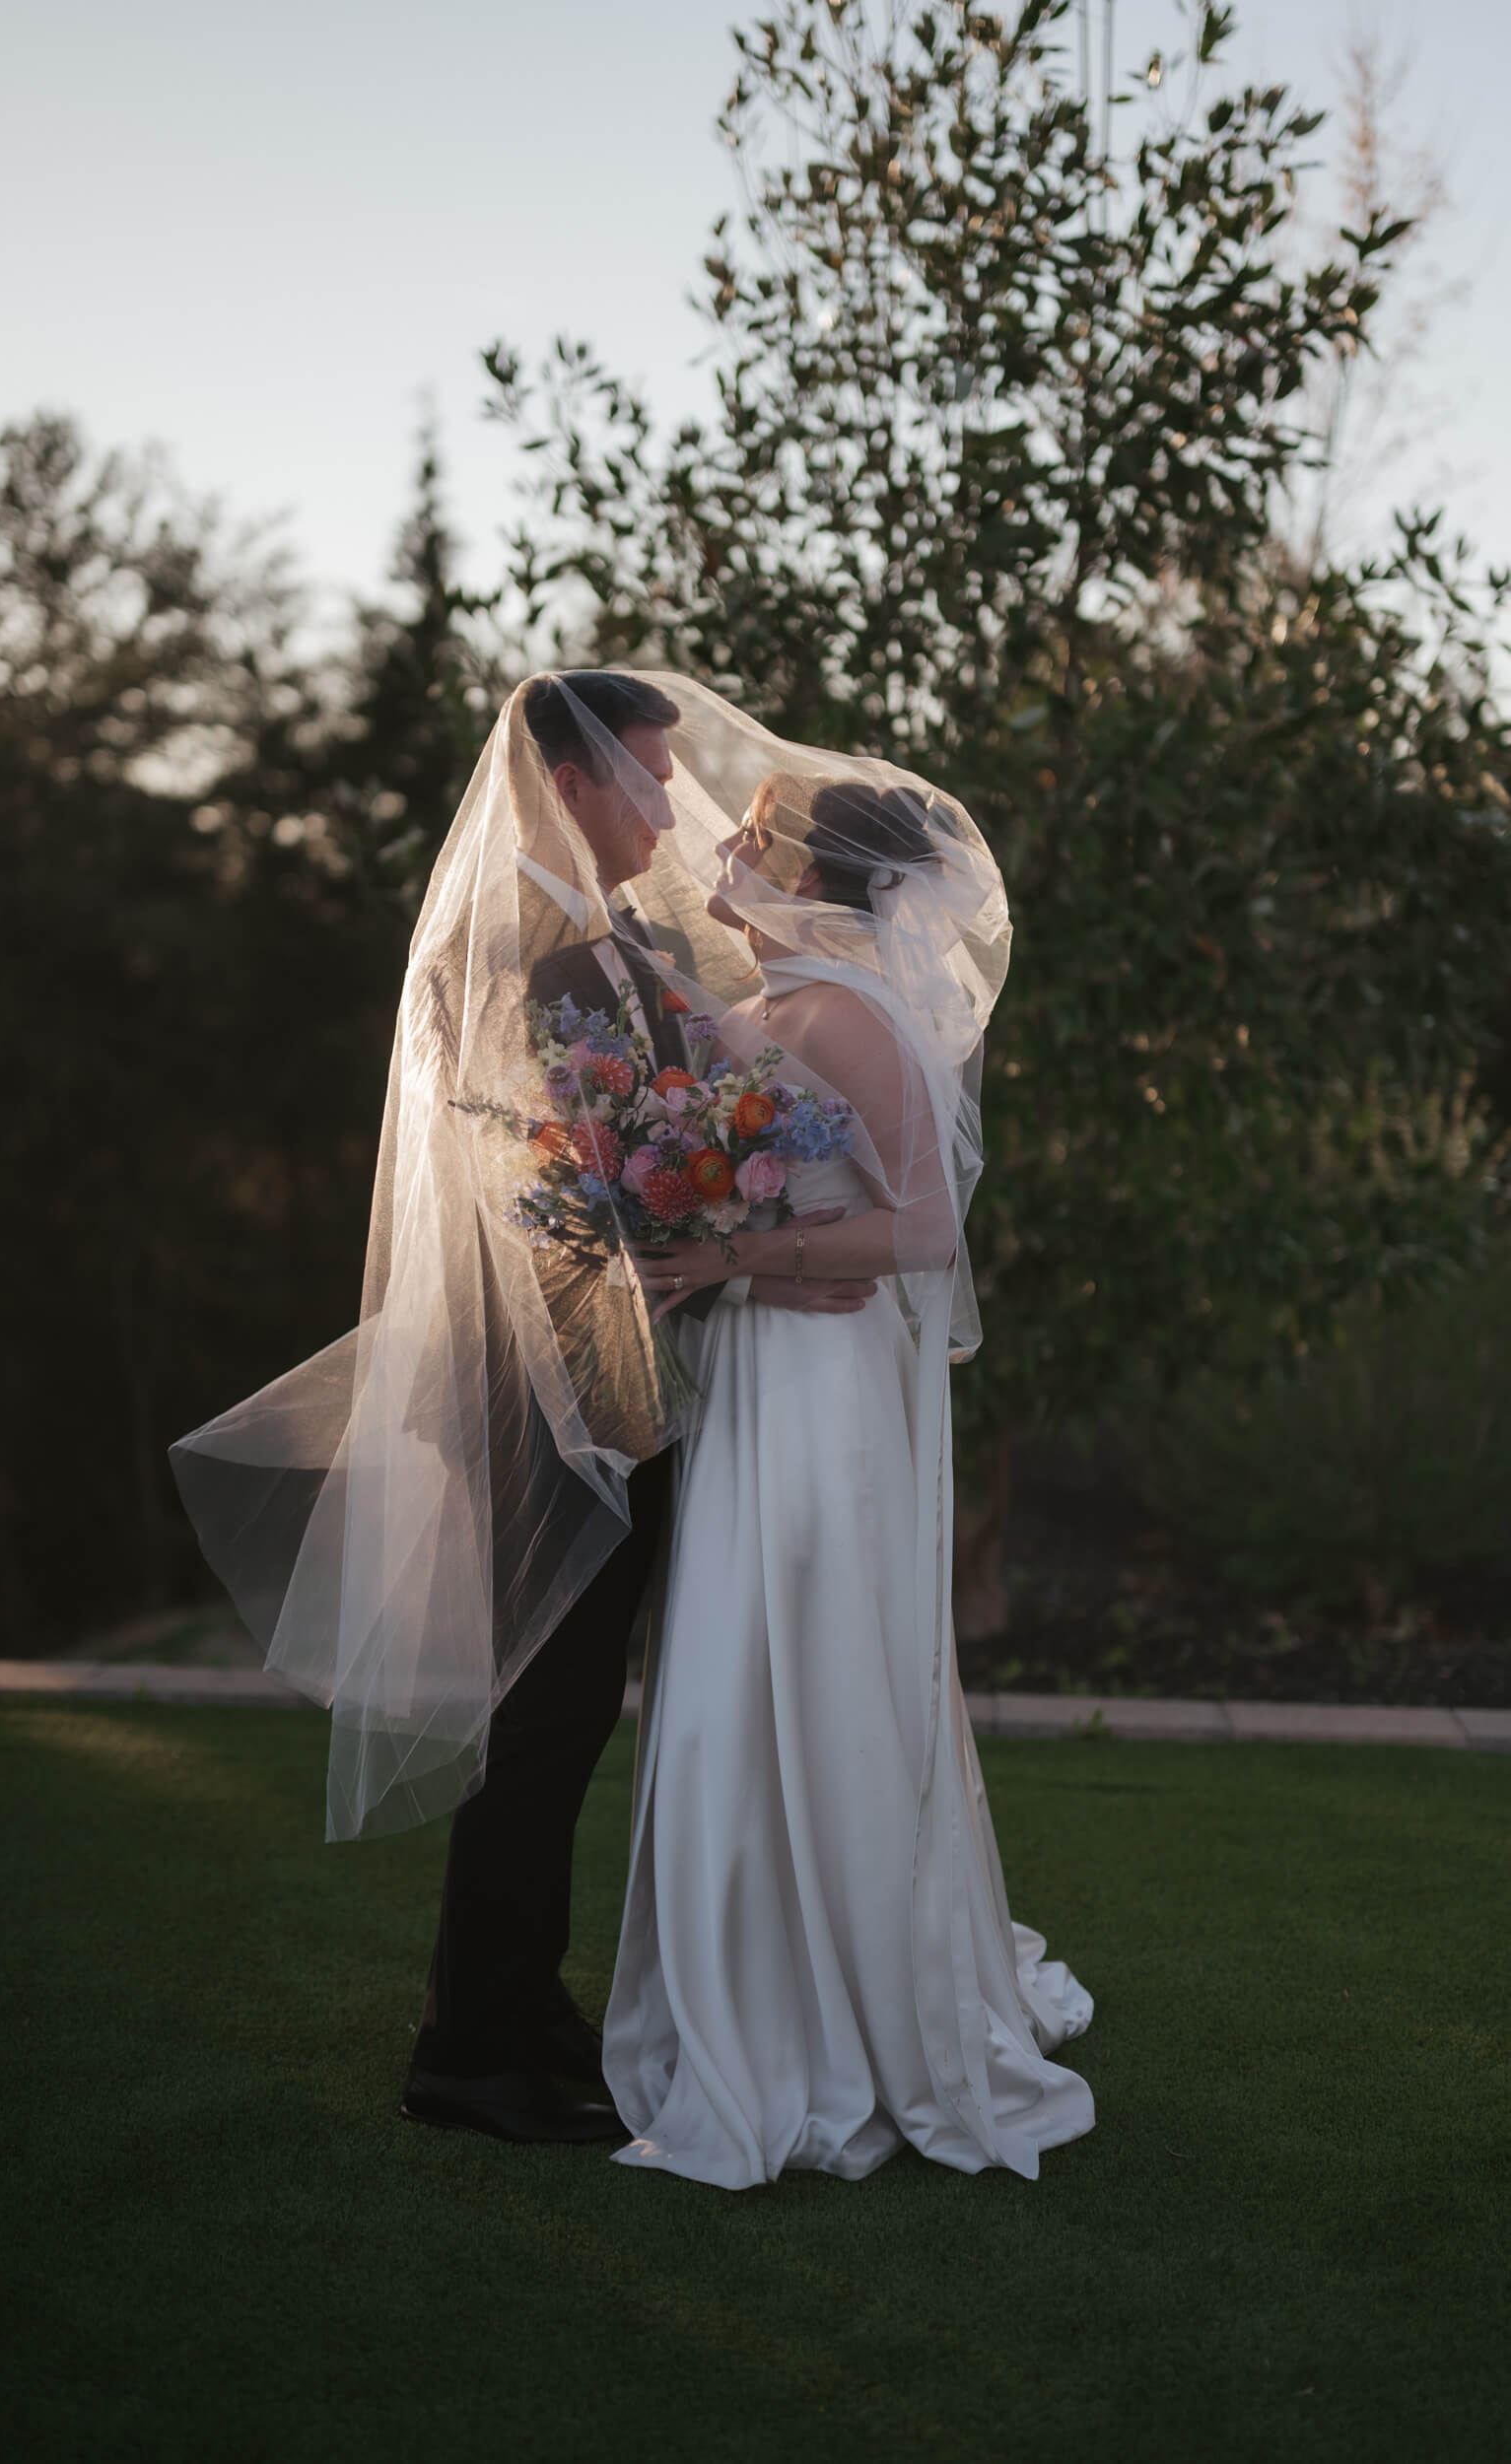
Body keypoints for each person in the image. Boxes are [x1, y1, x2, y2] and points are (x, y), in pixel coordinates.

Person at [170, 671, 878, 2148]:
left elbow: (662, 1141)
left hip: (618, 1382)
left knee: (571, 1720)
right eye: (649, 776)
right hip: (542, 1390)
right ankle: (467, 2054)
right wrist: (726, 1249)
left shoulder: (615, 937)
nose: (670, 807)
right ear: (569, 777)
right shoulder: (513, 955)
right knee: (538, 1720)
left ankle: (523, 2001)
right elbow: (558, 1195)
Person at [607, 764, 1096, 2186]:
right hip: (764, 1375)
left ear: (818, 876)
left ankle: (845, 2019)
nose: (725, 856)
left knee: (816, 1663)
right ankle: (756, 1985)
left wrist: (736, 1256)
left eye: (753, 844)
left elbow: (924, 1231)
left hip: (821, 1390)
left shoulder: (861, 1014)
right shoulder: (768, 1005)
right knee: (734, 1680)